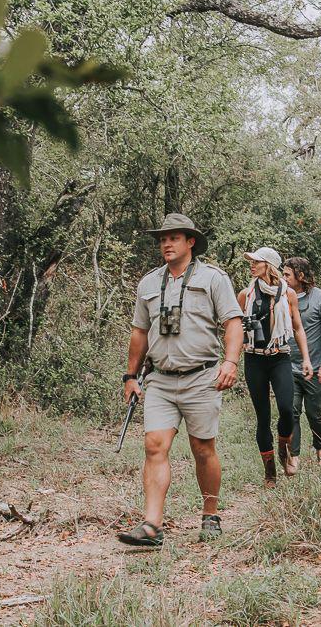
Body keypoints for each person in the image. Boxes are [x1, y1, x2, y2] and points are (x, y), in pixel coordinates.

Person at [117, 213, 243, 547]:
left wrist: (230, 362)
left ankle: (210, 514)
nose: (166, 244)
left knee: (203, 449)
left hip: (202, 377)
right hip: (160, 379)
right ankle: (151, 526)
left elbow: (233, 322)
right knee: (154, 445)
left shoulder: (214, 278)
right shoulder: (148, 283)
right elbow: (139, 332)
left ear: (190, 242)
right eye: (162, 239)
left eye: (173, 237)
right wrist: (131, 376)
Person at [237, 247, 313, 484]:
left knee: (287, 409)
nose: (251, 265)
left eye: (256, 261)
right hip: (254, 358)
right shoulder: (245, 295)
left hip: (280, 355)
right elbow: (234, 328)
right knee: (262, 415)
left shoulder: (287, 294)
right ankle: (269, 471)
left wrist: (307, 358)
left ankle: (283, 446)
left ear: (268, 265)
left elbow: (297, 327)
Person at [282, 257, 321, 471]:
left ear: (301, 276)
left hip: (315, 369)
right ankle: (294, 456)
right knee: (291, 411)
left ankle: (320, 445)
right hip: (287, 367)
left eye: (287, 274)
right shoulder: (281, 299)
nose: (283, 278)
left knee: (314, 413)